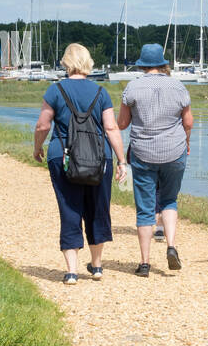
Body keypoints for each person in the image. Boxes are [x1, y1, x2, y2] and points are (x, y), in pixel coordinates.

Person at [33, 44, 128, 284]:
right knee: (98, 207)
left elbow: (43, 125)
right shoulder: (101, 92)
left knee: (69, 207)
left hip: (63, 156)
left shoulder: (55, 91)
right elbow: (111, 127)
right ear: (88, 62)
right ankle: (96, 267)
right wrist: (122, 160)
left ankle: (72, 271)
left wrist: (37, 148)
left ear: (66, 63)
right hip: (99, 157)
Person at [116, 43, 193, 277]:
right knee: (169, 200)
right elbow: (188, 122)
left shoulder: (132, 88)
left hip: (143, 153)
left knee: (145, 208)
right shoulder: (179, 86)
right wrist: (186, 142)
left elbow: (122, 124)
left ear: (142, 64)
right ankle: (170, 246)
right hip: (174, 151)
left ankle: (145, 263)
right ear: (163, 63)